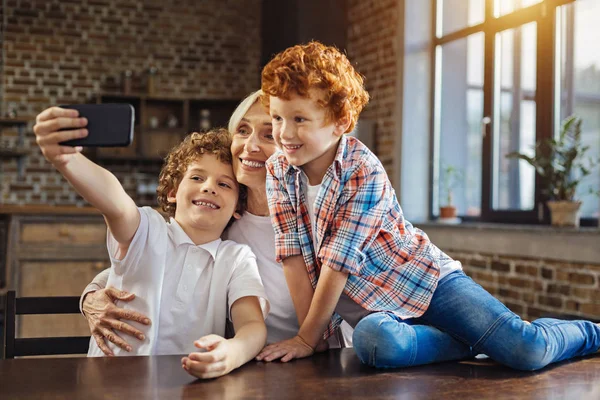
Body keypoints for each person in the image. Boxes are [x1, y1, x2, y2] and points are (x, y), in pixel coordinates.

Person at [255, 40, 600, 370]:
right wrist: (309, 338)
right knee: (374, 342)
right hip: (380, 313)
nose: (285, 133)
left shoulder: (361, 168)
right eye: (277, 119)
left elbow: (337, 263)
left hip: (428, 283)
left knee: (526, 350)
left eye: (300, 119)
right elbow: (293, 255)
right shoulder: (279, 171)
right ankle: (473, 341)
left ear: (341, 122)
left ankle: (592, 333)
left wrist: (304, 337)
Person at [58, 90, 350, 354]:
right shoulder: (222, 227)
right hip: (242, 367)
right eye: (243, 130)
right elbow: (130, 245)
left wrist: (233, 352)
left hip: (312, 360)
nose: (250, 145)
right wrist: (91, 298)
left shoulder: (312, 218)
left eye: (268, 135)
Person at [32, 112, 268, 379]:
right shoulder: (147, 230)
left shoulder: (236, 258)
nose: (209, 188)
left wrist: (232, 353)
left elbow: (252, 326)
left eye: (224, 184)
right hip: (111, 386)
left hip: (187, 388)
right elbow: (117, 203)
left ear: (238, 207)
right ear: (172, 193)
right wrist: (67, 159)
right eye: (196, 178)